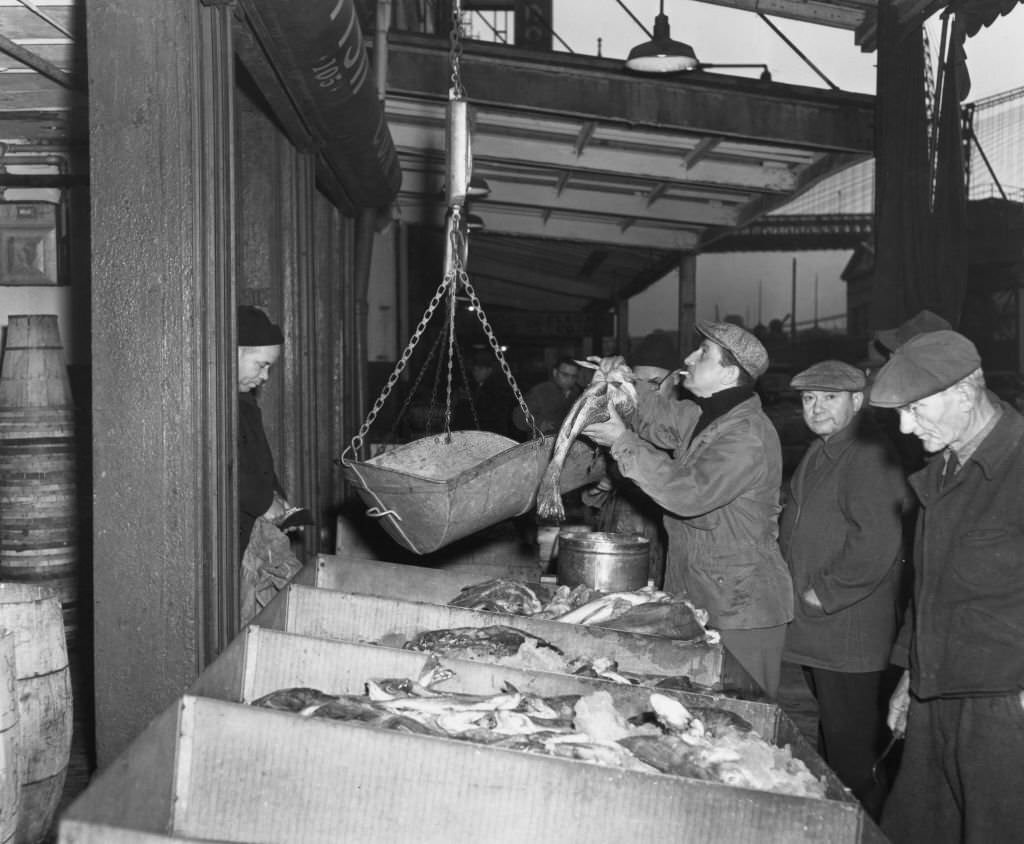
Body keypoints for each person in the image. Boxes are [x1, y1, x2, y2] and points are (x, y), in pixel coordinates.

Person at [868, 329, 1024, 843]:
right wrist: (913, 673)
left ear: (965, 392)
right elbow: (929, 587)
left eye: (914, 409)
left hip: (1003, 708)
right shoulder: (941, 472)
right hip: (938, 692)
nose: (905, 429)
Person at [582, 321, 793, 697]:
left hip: (741, 608)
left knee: (742, 717)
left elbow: (687, 494)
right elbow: (653, 415)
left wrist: (621, 440)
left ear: (729, 372)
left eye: (703, 353)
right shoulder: (705, 417)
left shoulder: (746, 436)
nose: (689, 358)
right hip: (703, 596)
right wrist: (621, 381)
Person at [779, 359, 909, 819]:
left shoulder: (868, 455)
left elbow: (878, 540)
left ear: (858, 400)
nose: (815, 408)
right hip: (822, 630)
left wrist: (825, 593)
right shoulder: (825, 448)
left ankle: (863, 827)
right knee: (833, 738)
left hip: (847, 630)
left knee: (852, 752)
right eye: (808, 399)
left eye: (829, 398)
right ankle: (834, 821)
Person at [237, 305, 302, 622]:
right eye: (261, 365)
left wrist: (279, 497)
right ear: (233, 353)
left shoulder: (244, 401)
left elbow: (259, 459)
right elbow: (231, 470)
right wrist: (264, 502)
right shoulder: (219, 406)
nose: (264, 377)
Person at [512, 356, 581, 437]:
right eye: (565, 375)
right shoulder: (540, 391)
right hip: (542, 443)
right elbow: (519, 417)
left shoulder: (578, 393)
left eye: (574, 376)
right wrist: (541, 424)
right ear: (555, 372)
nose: (570, 380)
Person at [452, 349, 513, 436]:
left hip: (492, 435)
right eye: (474, 369)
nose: (476, 372)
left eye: (480, 369)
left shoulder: (497, 390)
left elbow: (491, 415)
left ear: (489, 370)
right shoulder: (475, 386)